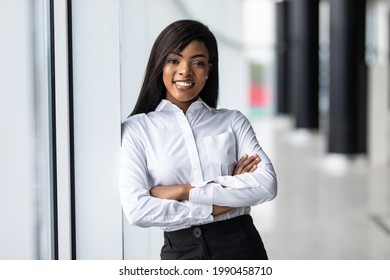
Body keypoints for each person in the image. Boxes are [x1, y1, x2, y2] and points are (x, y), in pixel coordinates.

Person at [119, 19, 277, 260]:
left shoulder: (232, 122)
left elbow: (266, 185)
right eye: (174, 60)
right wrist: (223, 200)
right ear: (160, 64)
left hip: (241, 245)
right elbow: (137, 209)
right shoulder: (136, 130)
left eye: (198, 63)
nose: (185, 71)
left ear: (208, 71)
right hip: (180, 252)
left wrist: (182, 191)